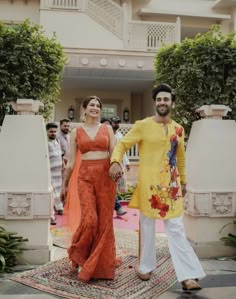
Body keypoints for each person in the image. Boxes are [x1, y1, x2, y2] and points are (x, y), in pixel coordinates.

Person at [109, 83, 206, 290]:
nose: (162, 102)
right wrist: (115, 161)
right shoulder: (142, 125)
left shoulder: (178, 129)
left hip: (171, 188)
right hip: (149, 188)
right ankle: (145, 266)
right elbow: (122, 144)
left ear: (172, 103)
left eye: (166, 99)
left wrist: (183, 181)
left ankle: (188, 276)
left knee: (177, 230)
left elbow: (180, 158)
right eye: (159, 99)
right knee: (147, 227)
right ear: (155, 103)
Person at [62, 96, 117, 283]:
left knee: (104, 222)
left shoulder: (107, 129)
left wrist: (119, 174)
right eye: (91, 105)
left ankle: (98, 264)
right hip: (84, 178)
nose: (95, 108)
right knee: (90, 220)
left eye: (98, 106)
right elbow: (70, 163)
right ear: (84, 109)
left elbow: (114, 154)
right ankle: (78, 253)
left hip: (106, 178)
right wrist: (64, 185)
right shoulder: (75, 132)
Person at [100, 116, 127, 216]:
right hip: (98, 166)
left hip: (110, 165)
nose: (106, 127)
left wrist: (118, 164)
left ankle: (117, 207)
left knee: (110, 188)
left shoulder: (114, 138)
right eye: (104, 125)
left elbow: (119, 152)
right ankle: (114, 207)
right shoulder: (97, 136)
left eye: (108, 125)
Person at [46, 122, 64, 224]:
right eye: (51, 132)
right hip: (50, 172)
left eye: (55, 131)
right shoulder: (45, 143)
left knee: (58, 190)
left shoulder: (57, 140)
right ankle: (51, 215)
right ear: (47, 132)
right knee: (52, 193)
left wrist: (63, 165)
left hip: (58, 171)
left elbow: (60, 154)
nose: (53, 133)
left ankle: (59, 208)